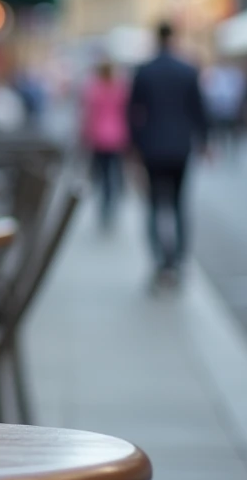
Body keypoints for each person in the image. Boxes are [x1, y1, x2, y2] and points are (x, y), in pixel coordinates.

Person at [127, 22, 209, 290]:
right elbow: (199, 109)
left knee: (153, 206)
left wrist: (135, 146)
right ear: (172, 37)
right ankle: (178, 261)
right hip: (180, 147)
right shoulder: (187, 70)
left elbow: (132, 113)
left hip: (152, 147)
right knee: (178, 205)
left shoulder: (144, 71)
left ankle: (160, 262)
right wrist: (204, 141)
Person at [80, 61, 129, 229]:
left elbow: (88, 115)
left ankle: (104, 204)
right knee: (112, 174)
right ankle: (109, 203)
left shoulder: (93, 89)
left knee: (100, 174)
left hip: (98, 138)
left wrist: (84, 136)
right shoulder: (120, 89)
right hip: (117, 137)